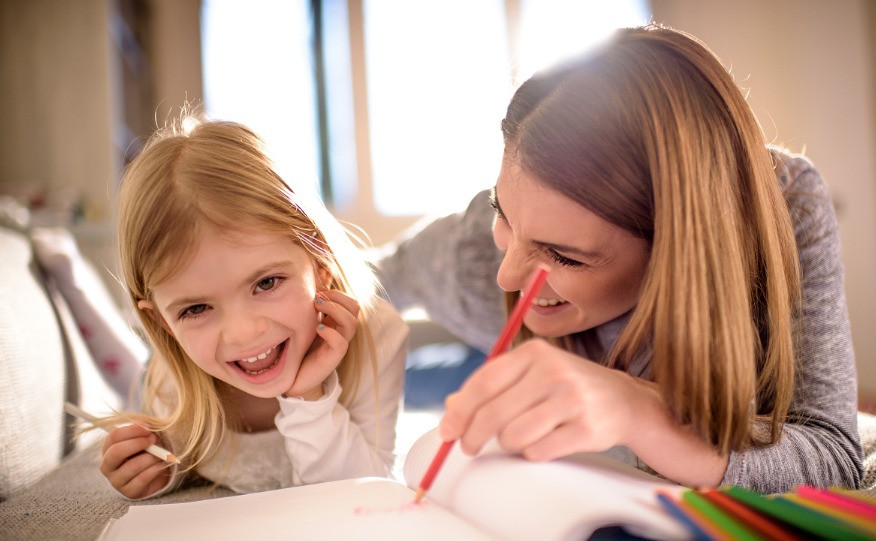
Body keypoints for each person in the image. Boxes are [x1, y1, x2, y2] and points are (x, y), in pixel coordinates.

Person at [375, 25, 862, 494]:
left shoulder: (783, 211)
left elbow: (834, 456)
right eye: (500, 211)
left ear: (678, 246)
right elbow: (368, 275)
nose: (508, 275)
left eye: (563, 256)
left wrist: (643, 414)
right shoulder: (473, 256)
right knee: (432, 380)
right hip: (491, 347)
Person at [99, 115, 408, 500]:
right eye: (196, 309)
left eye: (266, 283)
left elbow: (369, 494)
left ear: (320, 265)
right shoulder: (171, 380)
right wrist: (156, 471)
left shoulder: (379, 337)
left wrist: (308, 399)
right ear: (161, 322)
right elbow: (181, 457)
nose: (244, 332)